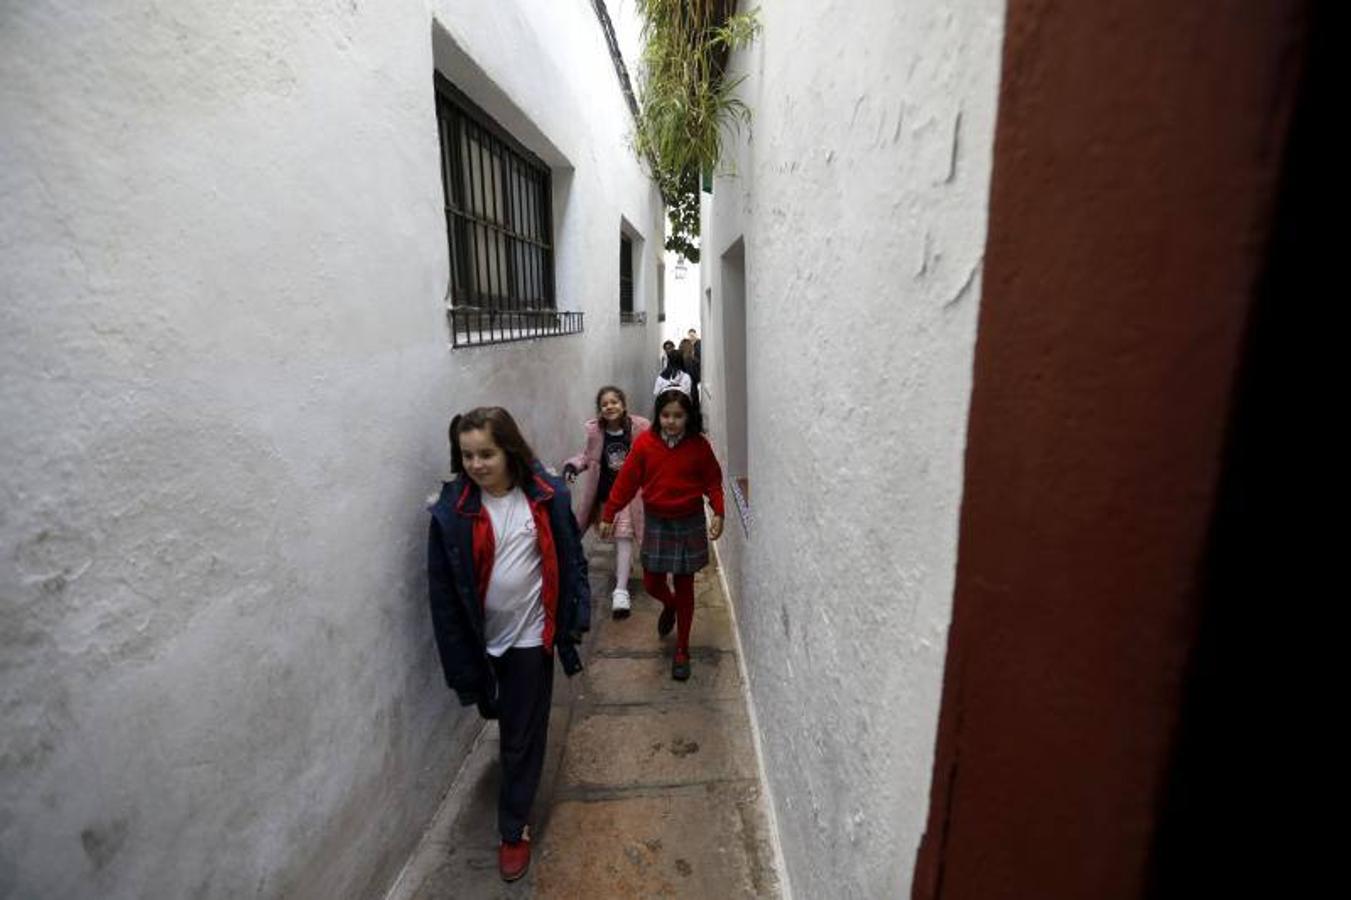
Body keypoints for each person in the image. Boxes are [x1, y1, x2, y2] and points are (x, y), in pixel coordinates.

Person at [426, 407, 590, 883]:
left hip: (528, 637)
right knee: (497, 712)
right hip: (483, 643)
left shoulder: (543, 497)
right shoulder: (452, 514)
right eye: (467, 455)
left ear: (510, 450)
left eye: (487, 453)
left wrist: (573, 620)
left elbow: (570, 557)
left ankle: (513, 828)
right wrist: (461, 668)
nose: (476, 464)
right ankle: (500, 722)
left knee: (521, 737)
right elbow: (444, 599)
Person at [600, 388, 724, 681]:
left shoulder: (699, 446)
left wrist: (718, 512)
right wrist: (609, 513)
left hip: (688, 521)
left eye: (678, 416)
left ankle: (682, 649)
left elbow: (713, 481)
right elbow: (626, 481)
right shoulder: (645, 444)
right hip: (657, 521)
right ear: (659, 416)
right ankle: (669, 605)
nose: (671, 421)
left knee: (685, 586)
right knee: (654, 581)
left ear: (688, 417)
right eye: (666, 415)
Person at [562, 386, 648, 619]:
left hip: (629, 497)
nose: (610, 407)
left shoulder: (638, 431)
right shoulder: (596, 433)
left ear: (623, 405)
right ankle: (624, 566)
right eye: (604, 404)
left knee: (623, 536)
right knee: (611, 535)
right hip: (604, 496)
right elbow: (587, 458)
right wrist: (572, 466)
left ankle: (620, 591)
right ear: (600, 410)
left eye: (614, 402)